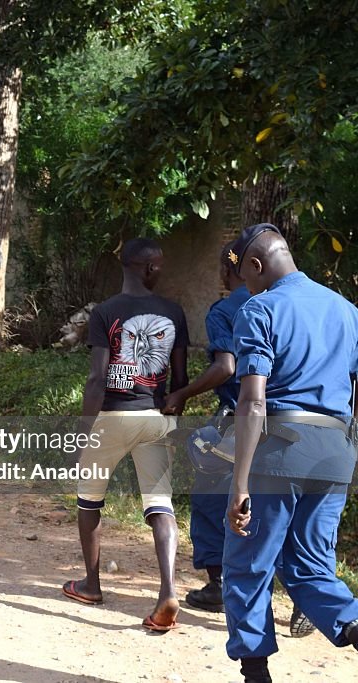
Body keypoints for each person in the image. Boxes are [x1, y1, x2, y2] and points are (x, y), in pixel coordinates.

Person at [223, 224, 358, 683]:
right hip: (336, 454)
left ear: (256, 266)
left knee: (248, 561)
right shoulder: (346, 310)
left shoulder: (259, 308)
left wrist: (239, 483)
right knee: (311, 566)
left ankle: (255, 674)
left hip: (280, 451)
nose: (245, 285)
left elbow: (253, 401)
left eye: (245, 275)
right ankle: (354, 623)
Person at [163, 245, 314, 637]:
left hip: (244, 418)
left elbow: (226, 367)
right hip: (302, 431)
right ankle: (307, 596)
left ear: (231, 271)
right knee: (292, 512)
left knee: (211, 497)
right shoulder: (300, 304)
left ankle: (219, 584)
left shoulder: (229, 309)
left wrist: (182, 394)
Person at [61, 238, 189, 632]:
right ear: (148, 268)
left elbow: (97, 377)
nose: (162, 270)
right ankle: (168, 590)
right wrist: (173, 408)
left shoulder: (106, 312)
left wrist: (84, 432)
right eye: (160, 264)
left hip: (114, 417)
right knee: (160, 504)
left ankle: (91, 584)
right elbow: (180, 378)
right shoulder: (173, 312)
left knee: (89, 498)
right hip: (157, 417)